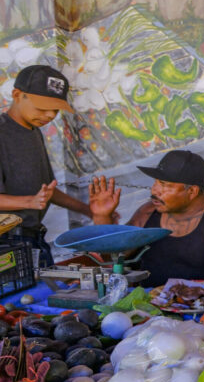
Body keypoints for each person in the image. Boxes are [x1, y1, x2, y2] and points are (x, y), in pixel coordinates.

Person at [0, 65, 117, 266]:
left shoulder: (33, 131)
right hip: (6, 245)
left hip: (33, 239)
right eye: (42, 108)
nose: (49, 115)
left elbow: (47, 190)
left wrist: (88, 209)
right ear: (17, 95)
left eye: (55, 109)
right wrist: (29, 202)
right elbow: (36, 199)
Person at [92, 150, 204, 287]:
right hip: (147, 308)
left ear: (192, 191)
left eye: (164, 184)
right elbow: (112, 258)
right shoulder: (148, 211)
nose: (154, 190)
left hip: (195, 312)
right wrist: (102, 216)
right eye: (155, 182)